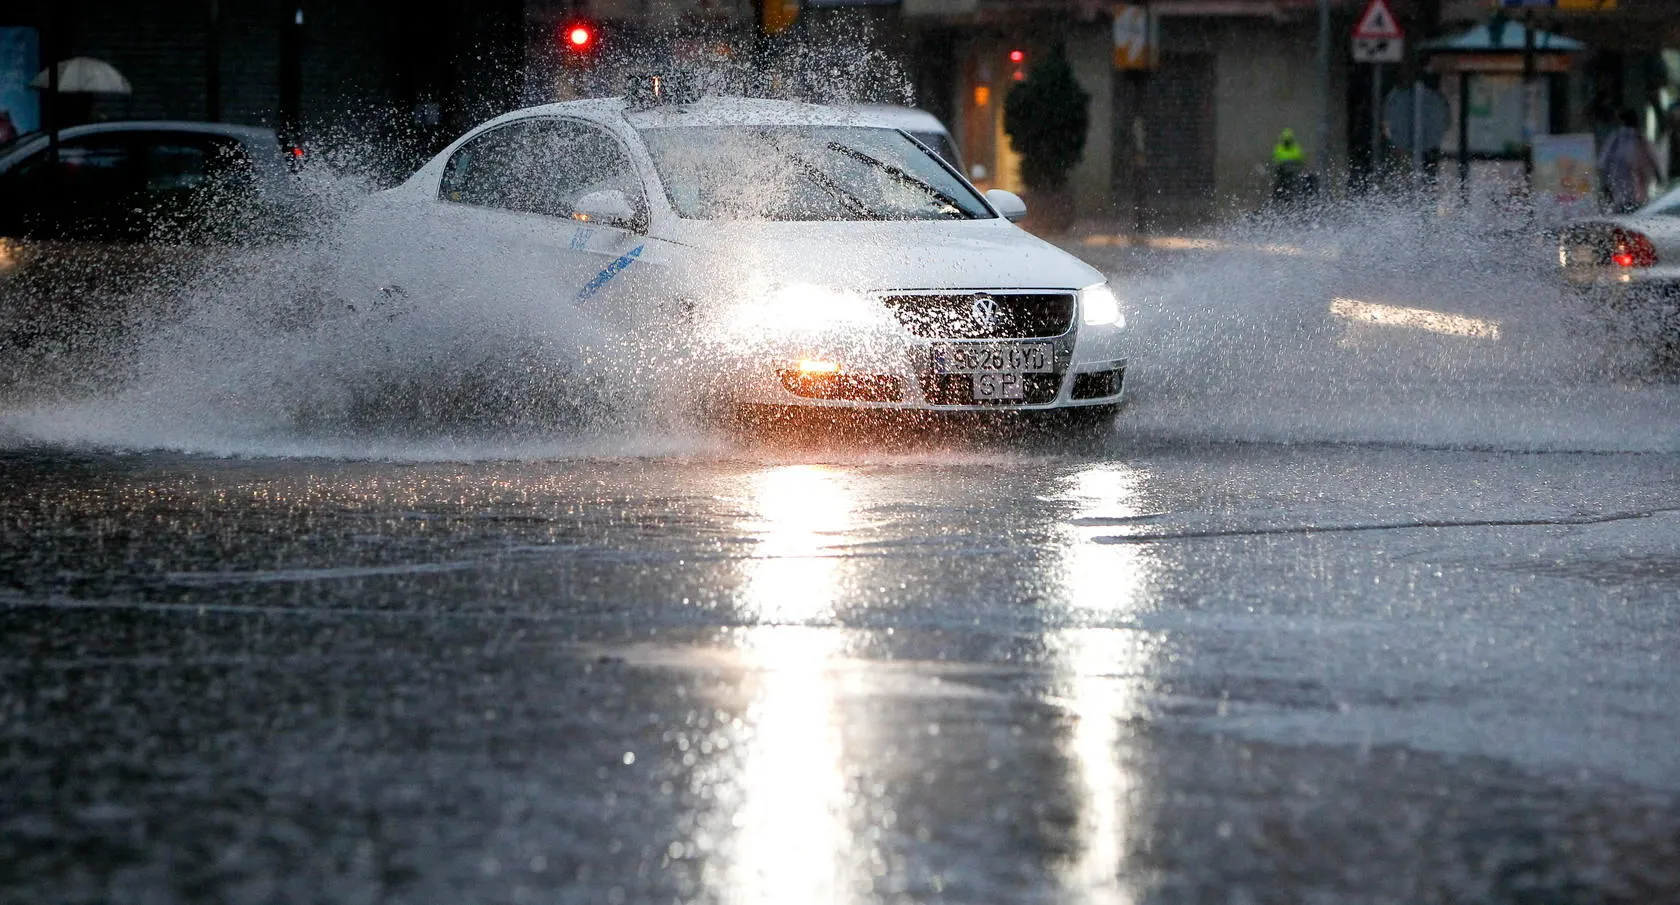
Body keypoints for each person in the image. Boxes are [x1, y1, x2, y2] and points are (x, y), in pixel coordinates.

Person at [1597, 108, 1661, 213]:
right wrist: (1658, 176)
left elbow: (1603, 162)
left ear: (1621, 121)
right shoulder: (1639, 138)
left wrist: (1605, 183)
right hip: (1638, 192)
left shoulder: (1618, 138)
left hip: (1621, 191)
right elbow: (1653, 159)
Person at [1271, 127, 1309, 205]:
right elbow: (1275, 160)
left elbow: (1301, 161)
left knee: (1298, 186)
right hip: (1282, 174)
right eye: (1286, 140)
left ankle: (1300, 200)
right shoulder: (1278, 148)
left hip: (1293, 174)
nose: (1287, 142)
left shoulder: (1296, 148)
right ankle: (1276, 202)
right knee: (1278, 188)